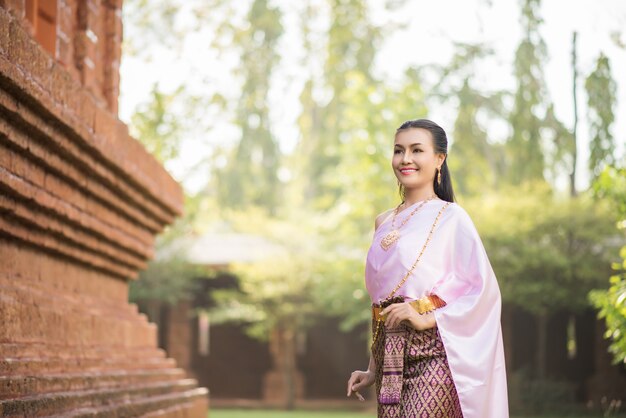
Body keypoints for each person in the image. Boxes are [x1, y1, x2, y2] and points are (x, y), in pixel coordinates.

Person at [346, 119, 508, 417]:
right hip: (388, 358)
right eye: (398, 150)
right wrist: (372, 368)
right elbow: (381, 302)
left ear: (439, 159)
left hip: (434, 353)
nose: (405, 159)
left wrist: (427, 318)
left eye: (416, 150)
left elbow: (481, 291)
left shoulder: (452, 218)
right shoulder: (383, 222)